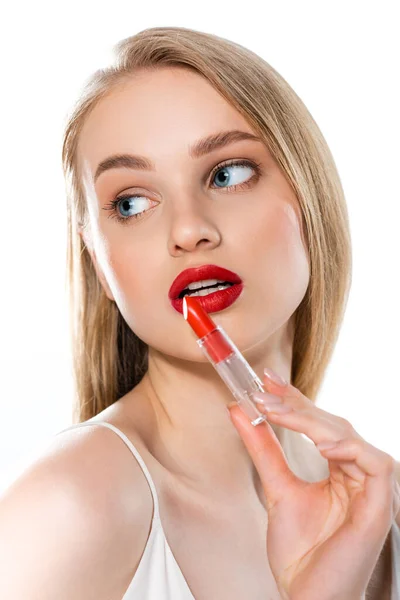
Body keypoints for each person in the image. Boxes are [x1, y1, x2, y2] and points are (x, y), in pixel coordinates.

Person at [0, 26, 399, 599]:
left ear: (310, 197)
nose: (188, 230)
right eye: (131, 203)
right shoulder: (69, 506)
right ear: (98, 261)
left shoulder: (377, 507)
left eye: (227, 173)